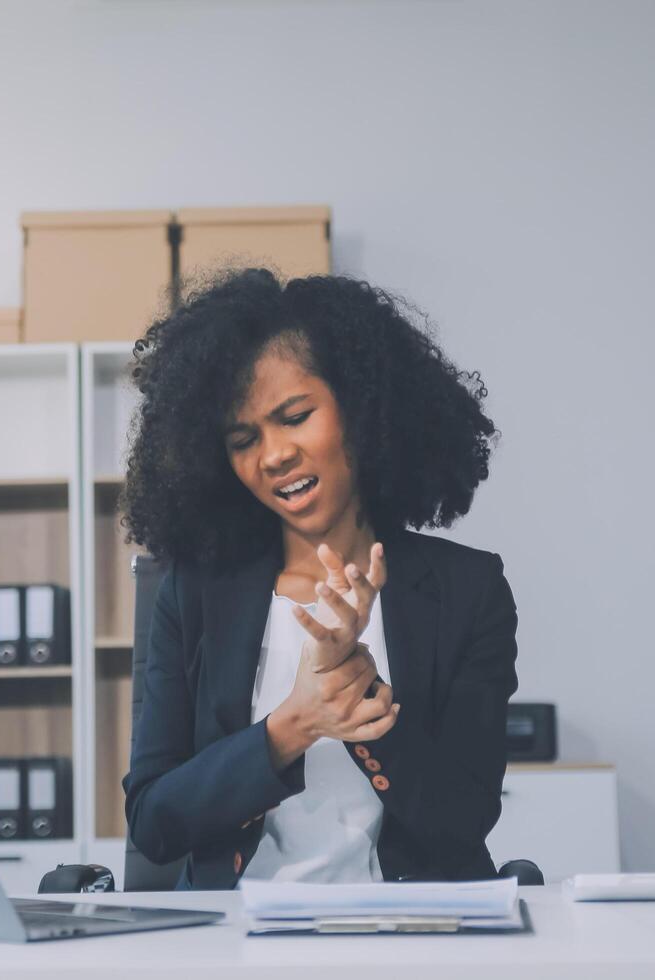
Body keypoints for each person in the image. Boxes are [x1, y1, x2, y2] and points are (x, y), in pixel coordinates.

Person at [120, 268, 518, 889]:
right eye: (244, 438)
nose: (274, 454)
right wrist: (294, 725)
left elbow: (462, 821)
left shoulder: (467, 590)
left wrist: (353, 691)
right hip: (239, 942)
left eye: (295, 415)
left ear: (360, 409)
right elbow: (154, 822)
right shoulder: (195, 593)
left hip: (411, 937)